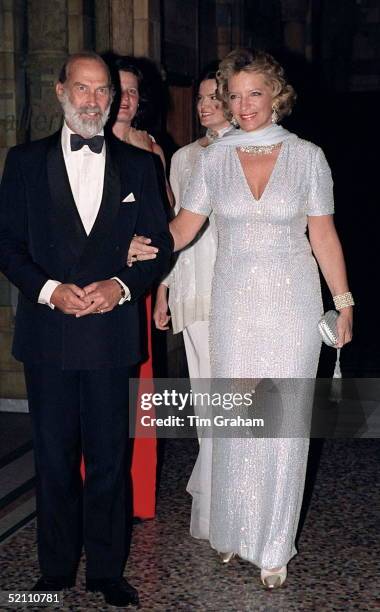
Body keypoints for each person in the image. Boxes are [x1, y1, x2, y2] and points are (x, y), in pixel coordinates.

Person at [129, 49, 353, 589]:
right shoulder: (212, 159)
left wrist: (343, 303)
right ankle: (233, 526)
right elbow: (185, 227)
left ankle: (273, 542)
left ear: (276, 96)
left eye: (255, 93)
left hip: (292, 302)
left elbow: (322, 234)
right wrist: (150, 246)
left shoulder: (307, 158)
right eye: (235, 95)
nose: (244, 104)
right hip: (233, 300)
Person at [0, 51, 172, 607]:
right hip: (48, 335)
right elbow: (8, 244)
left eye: (103, 91)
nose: (94, 100)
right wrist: (49, 291)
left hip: (109, 336)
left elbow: (159, 246)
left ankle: (105, 571)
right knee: (52, 460)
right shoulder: (23, 161)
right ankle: (53, 573)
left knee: (108, 461)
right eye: (83, 89)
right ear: (60, 91)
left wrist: (120, 285)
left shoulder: (139, 165)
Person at [109, 54, 172, 520]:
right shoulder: (85, 143)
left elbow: (168, 220)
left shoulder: (151, 146)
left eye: (133, 91)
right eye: (120, 89)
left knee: (140, 387)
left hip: (140, 279)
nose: (127, 99)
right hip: (93, 282)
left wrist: (163, 286)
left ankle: (136, 493)